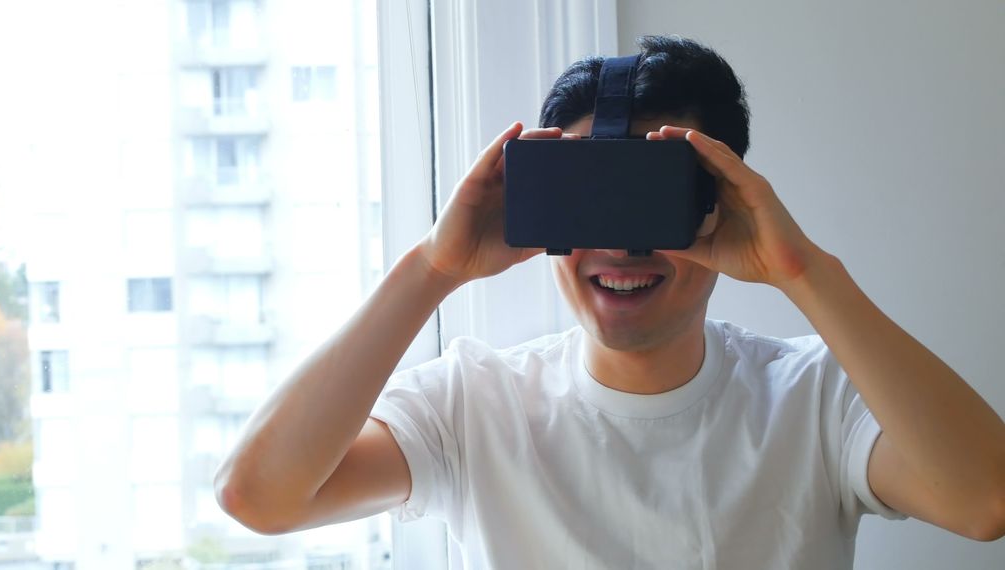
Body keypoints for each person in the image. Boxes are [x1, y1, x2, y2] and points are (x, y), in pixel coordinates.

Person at [214, 35, 1005, 568]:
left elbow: (985, 500)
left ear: (723, 204)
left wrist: (800, 268)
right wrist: (433, 266)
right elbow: (261, 497)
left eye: (654, 202)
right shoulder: (470, 404)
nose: (623, 248)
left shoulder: (817, 399)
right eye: (594, 197)